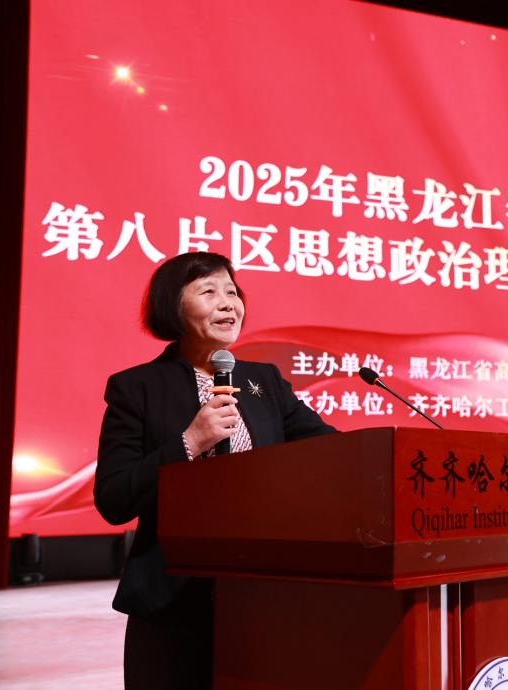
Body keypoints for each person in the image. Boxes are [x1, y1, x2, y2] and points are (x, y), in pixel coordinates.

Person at [94, 251, 336, 690]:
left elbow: (331, 448)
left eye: (232, 291)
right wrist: (190, 442)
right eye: (209, 291)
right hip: (172, 602)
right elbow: (113, 498)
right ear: (172, 305)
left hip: (262, 597)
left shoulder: (265, 381)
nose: (228, 303)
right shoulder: (136, 388)